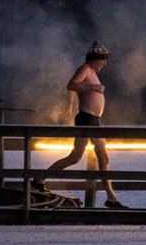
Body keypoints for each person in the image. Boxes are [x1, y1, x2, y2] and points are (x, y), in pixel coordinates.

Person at [40, 42, 127, 208]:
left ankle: (111, 197)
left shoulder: (93, 72)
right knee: (75, 157)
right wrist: (92, 86)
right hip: (86, 119)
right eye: (103, 60)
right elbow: (72, 85)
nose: (105, 64)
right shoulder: (85, 69)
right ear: (95, 59)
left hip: (94, 120)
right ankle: (39, 178)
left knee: (103, 157)